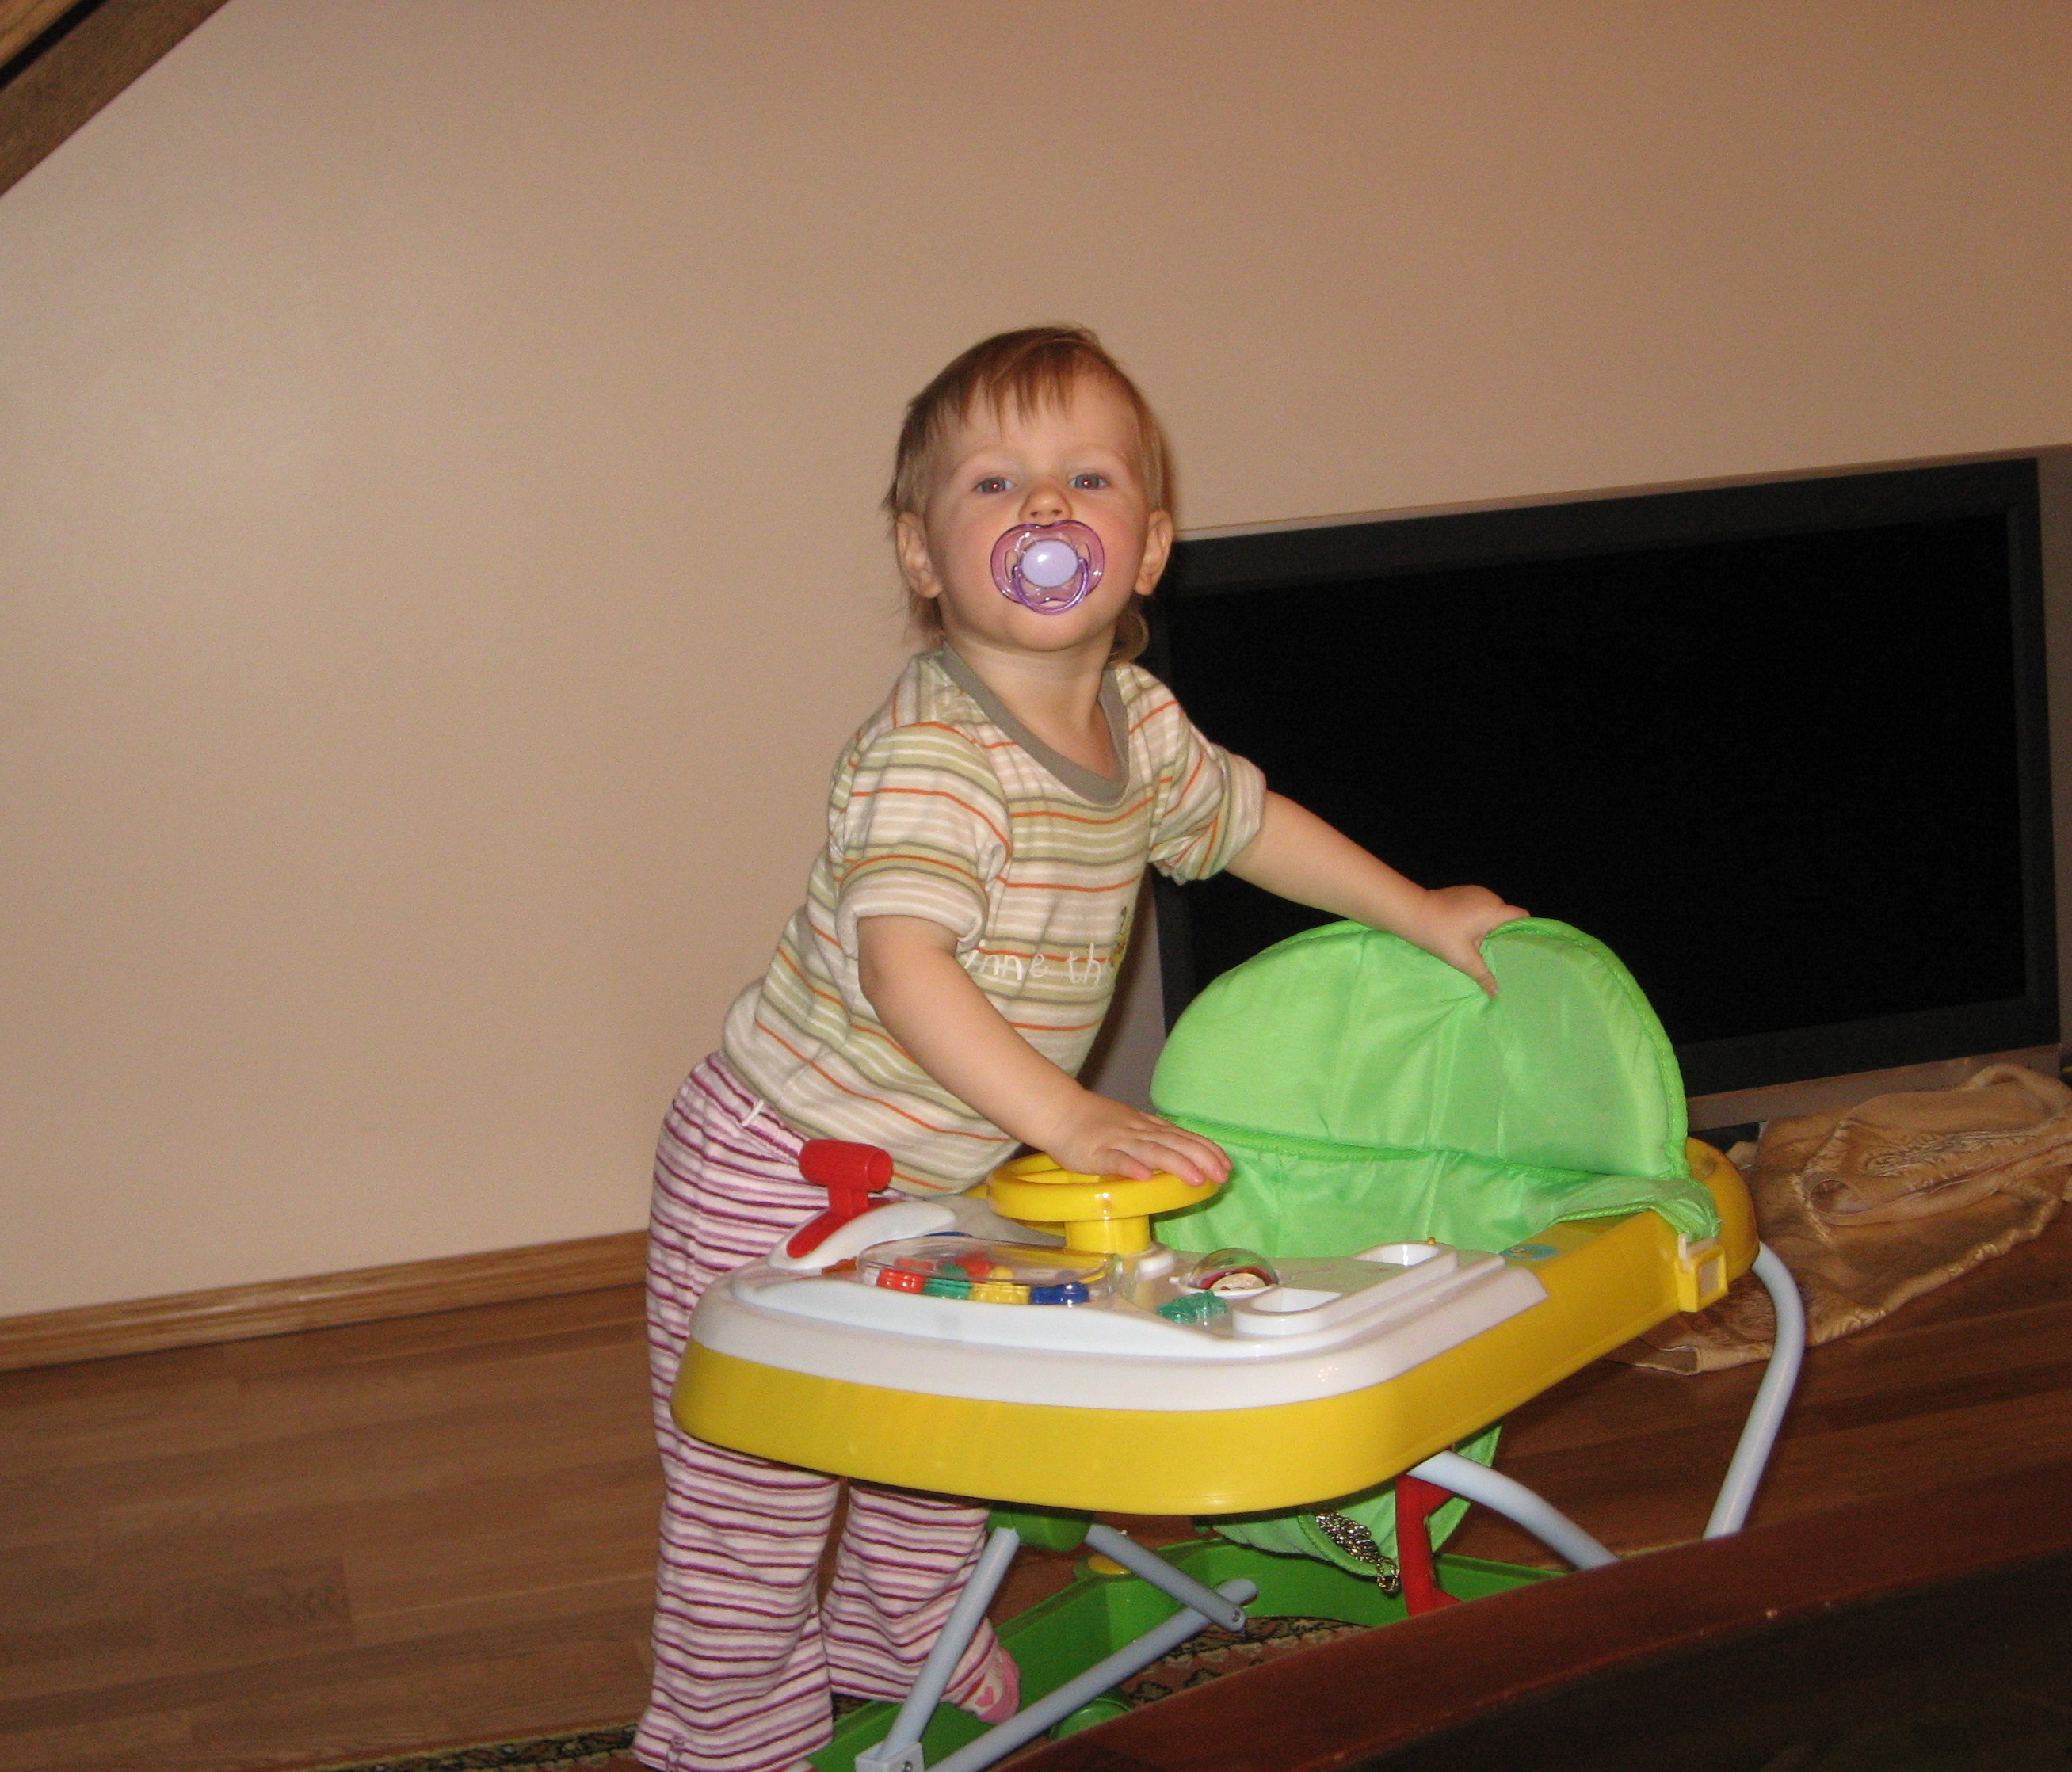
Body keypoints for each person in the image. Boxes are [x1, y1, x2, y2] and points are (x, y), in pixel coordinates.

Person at [635, 326, 1524, 1772]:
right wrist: (1071, 1119)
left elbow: (1249, 825)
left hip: (937, 1170)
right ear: (923, 553)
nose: (1045, 507)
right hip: (778, 1166)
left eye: (1087, 479)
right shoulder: (938, 754)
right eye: (996, 483)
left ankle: (902, 1642)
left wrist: (1417, 911)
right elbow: (906, 967)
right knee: (758, 1491)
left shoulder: (1138, 724)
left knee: (942, 1429)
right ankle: (722, 1742)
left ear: (1147, 546)